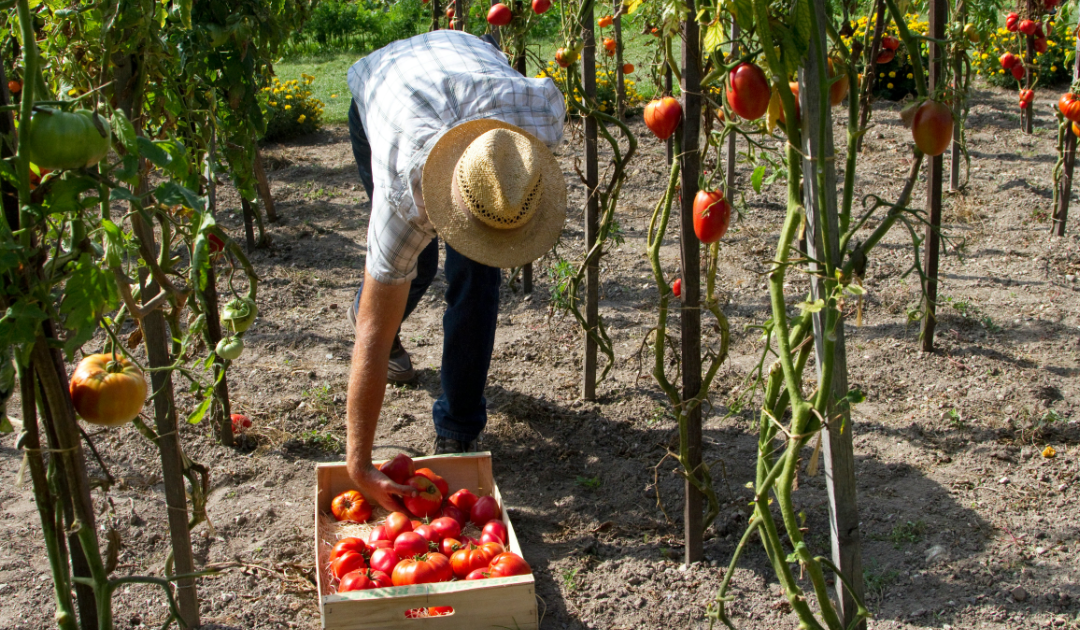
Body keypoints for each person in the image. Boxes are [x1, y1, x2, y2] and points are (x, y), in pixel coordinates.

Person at [343, 29, 567, 511]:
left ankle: (458, 427)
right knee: (412, 270)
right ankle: (375, 306)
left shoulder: (532, 132)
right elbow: (370, 339)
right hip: (385, 90)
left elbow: (507, 185)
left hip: (463, 58)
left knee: (478, 280)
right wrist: (359, 466)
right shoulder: (404, 198)